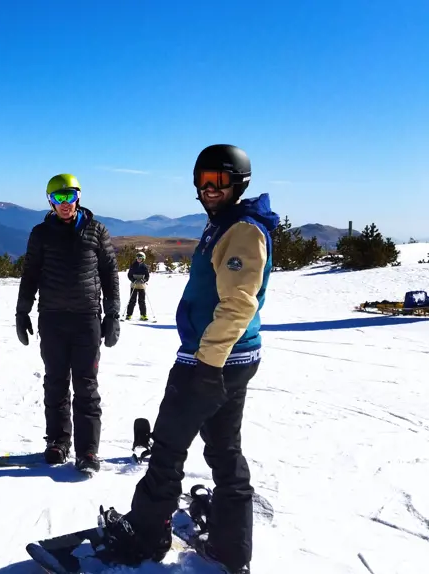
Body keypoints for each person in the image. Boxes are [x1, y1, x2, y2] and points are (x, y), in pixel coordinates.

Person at [93, 145, 279, 574]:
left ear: (239, 183)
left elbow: (238, 303)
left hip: (212, 361)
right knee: (224, 452)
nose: (210, 189)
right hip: (227, 358)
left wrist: (208, 366)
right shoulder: (226, 225)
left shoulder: (244, 231)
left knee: (168, 449)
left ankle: (145, 535)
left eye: (220, 181)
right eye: (203, 181)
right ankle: (232, 548)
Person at [15, 174, 121, 473]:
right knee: (56, 383)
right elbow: (30, 275)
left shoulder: (97, 231)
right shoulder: (40, 233)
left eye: (70, 196)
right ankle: (58, 442)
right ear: (50, 201)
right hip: (52, 319)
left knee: (86, 386)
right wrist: (22, 312)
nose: (65, 204)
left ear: (79, 196)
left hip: (87, 318)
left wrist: (112, 315)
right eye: (59, 198)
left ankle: (87, 451)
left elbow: (111, 276)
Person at [126, 251, 150, 320]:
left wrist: (144, 280)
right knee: (132, 300)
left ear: (143, 259)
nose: (139, 259)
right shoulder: (133, 265)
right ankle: (129, 315)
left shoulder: (145, 266)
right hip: (134, 285)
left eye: (140, 258)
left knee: (142, 301)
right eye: (137, 258)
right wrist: (133, 280)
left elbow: (147, 276)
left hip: (142, 286)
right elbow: (129, 275)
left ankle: (143, 315)